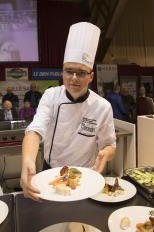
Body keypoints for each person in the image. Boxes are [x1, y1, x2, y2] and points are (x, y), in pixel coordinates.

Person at [20, 22, 116, 201]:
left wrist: (105, 153)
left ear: (91, 76)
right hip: (50, 171)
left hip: (85, 175)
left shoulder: (102, 106)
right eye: (68, 71)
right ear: (62, 72)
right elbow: (35, 130)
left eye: (80, 73)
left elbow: (110, 145)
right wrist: (27, 161)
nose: (73, 78)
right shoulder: (50, 96)